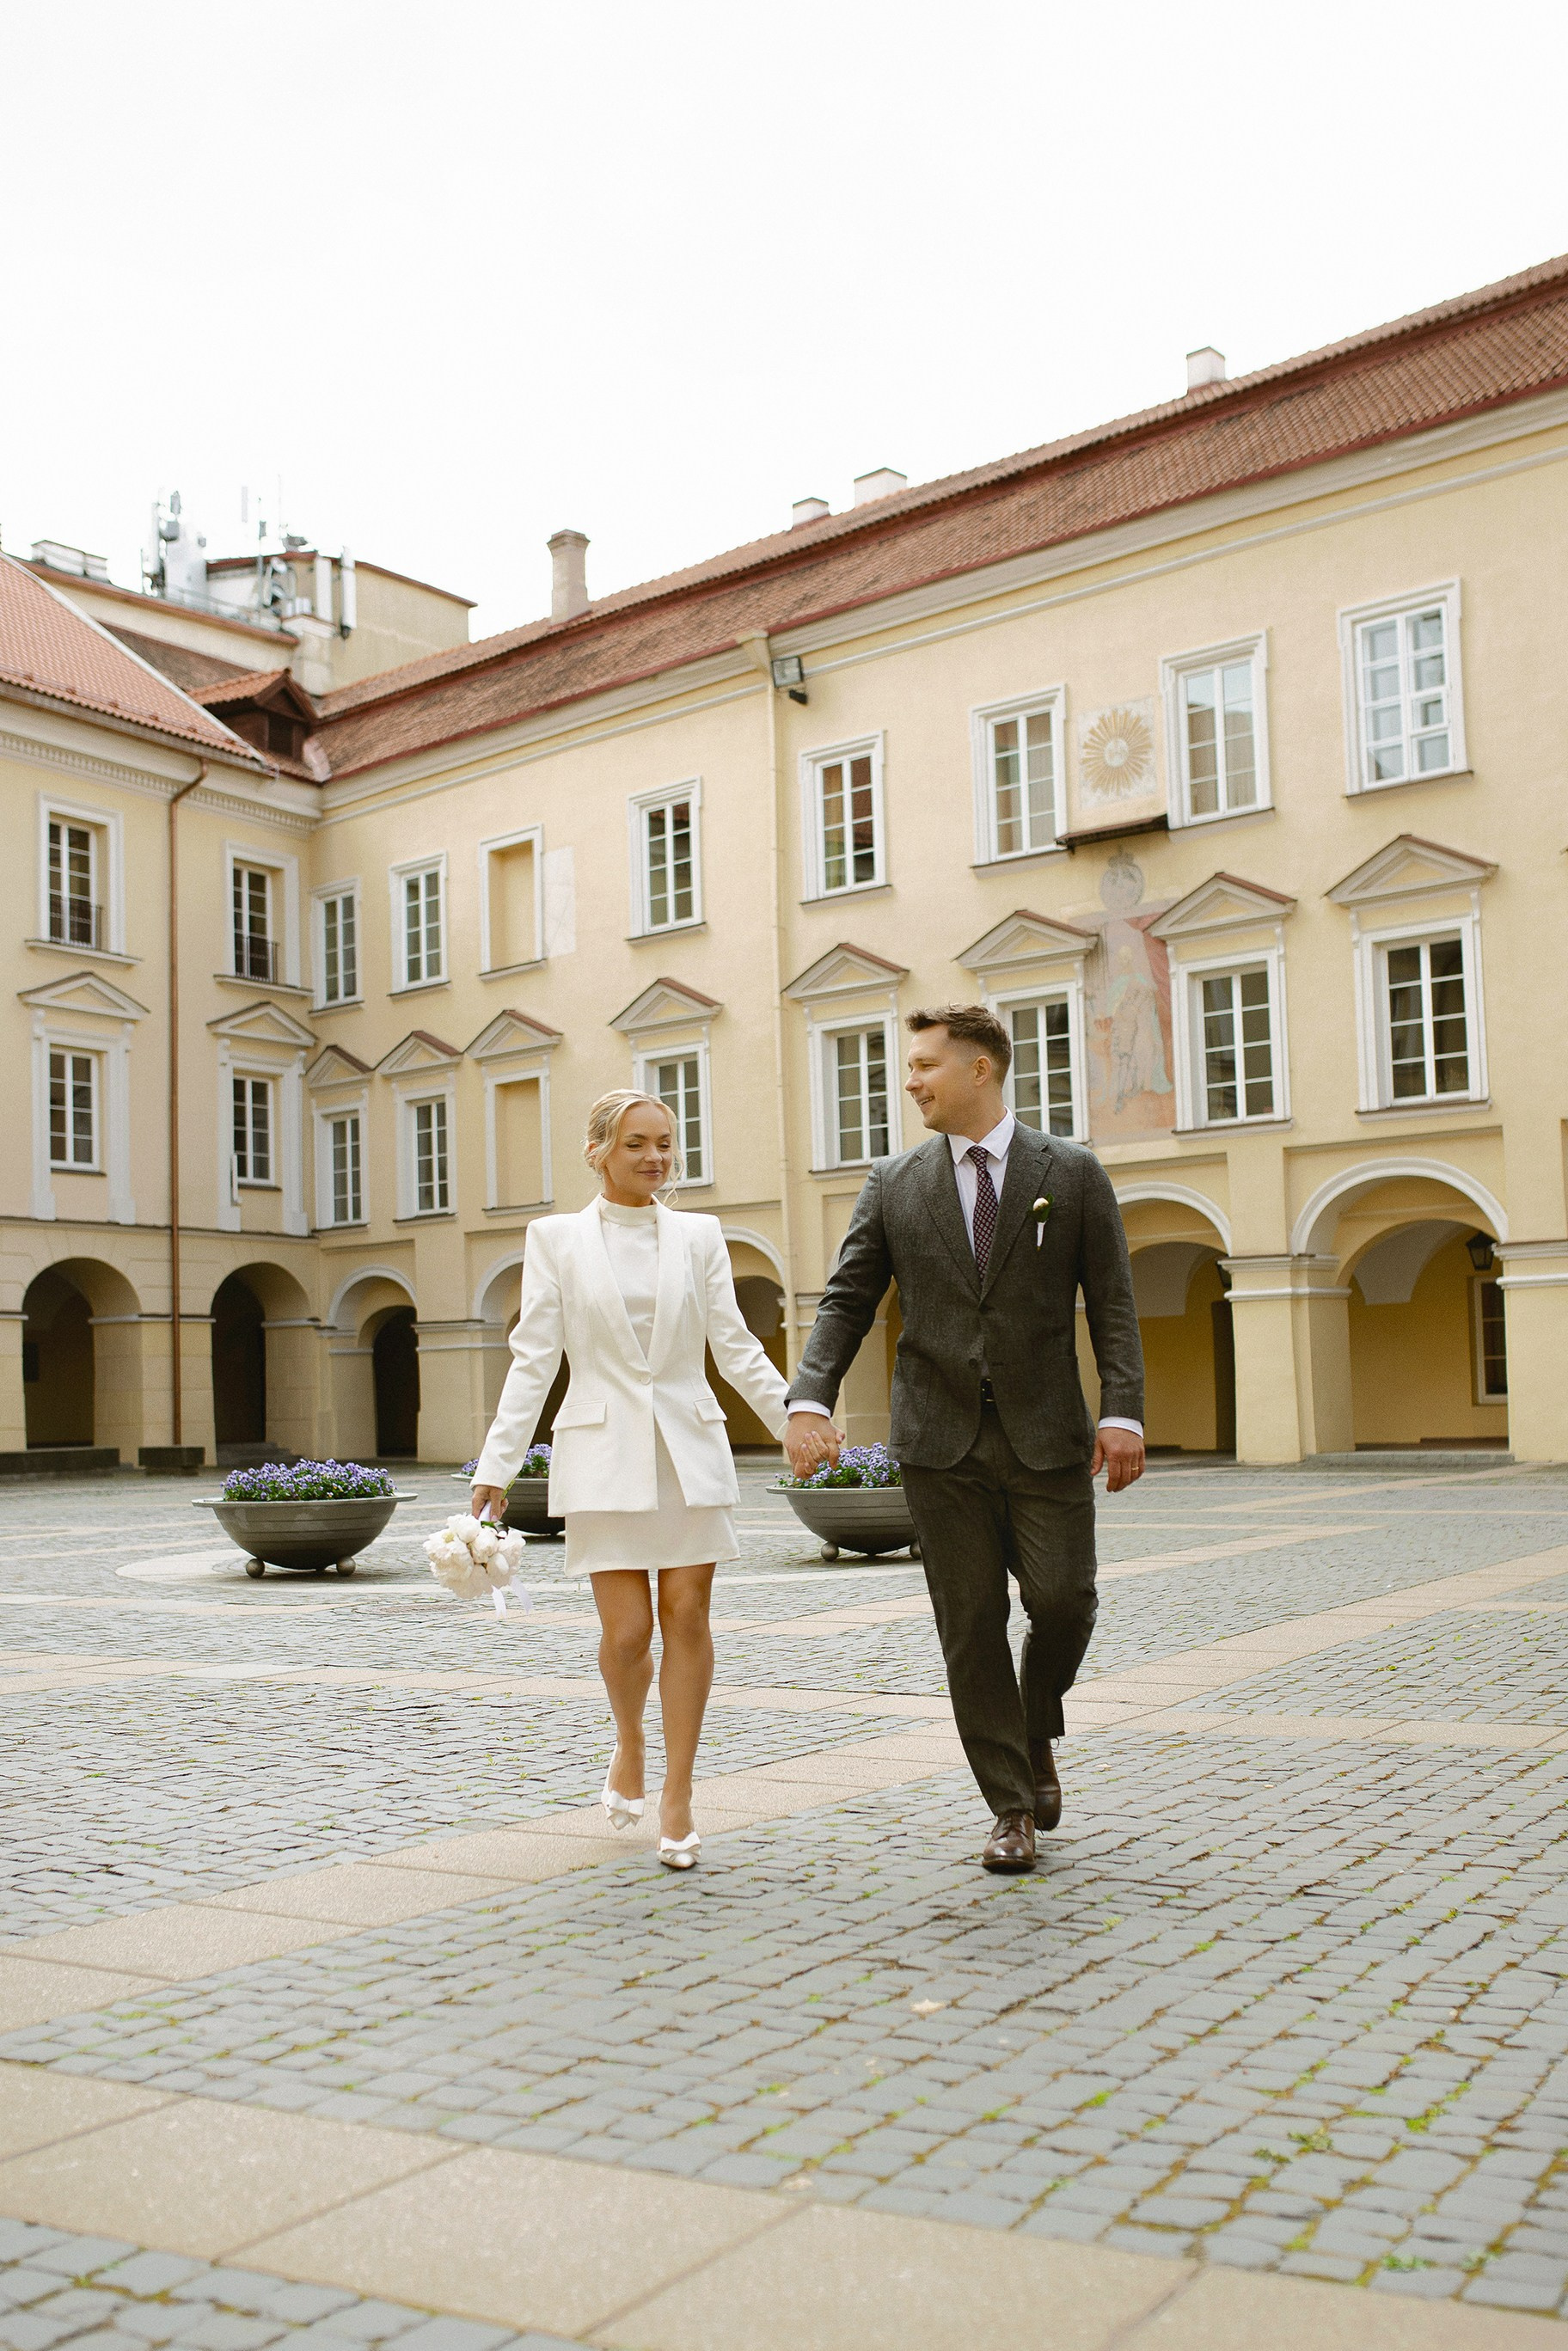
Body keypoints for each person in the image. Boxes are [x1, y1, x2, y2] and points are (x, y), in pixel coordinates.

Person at [783, 1005, 1144, 1874]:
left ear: (980, 1069)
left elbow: (1116, 1300)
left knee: (1063, 1601)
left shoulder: (1075, 1172)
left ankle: (1034, 1717)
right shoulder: (893, 1181)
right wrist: (809, 1395)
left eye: (923, 1065)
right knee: (971, 1624)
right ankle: (1011, 1805)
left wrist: (1122, 1410)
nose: (910, 1081)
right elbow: (847, 1299)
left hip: (1047, 1432)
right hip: (938, 1438)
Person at [470, 1090, 829, 1870]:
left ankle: (679, 1793)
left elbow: (732, 1345)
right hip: (601, 1454)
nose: (656, 1157)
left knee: (688, 1613)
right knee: (628, 1632)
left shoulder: (699, 1235)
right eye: (637, 1143)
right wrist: (498, 1464)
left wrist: (795, 1416)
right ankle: (628, 1742)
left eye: (665, 1143)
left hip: (687, 1451)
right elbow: (535, 1358)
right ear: (597, 1148)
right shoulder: (554, 1238)